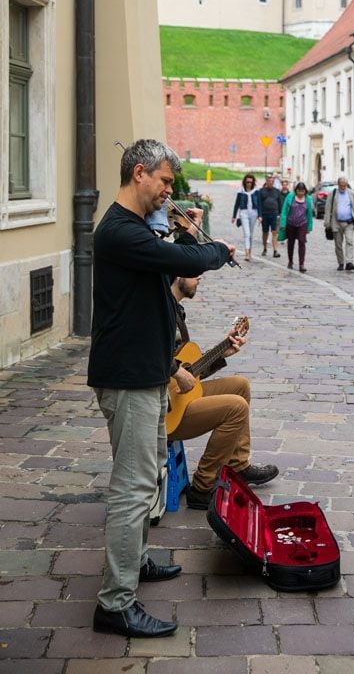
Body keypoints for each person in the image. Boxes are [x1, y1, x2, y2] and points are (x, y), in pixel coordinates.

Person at [88, 139, 234, 639]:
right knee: (131, 490)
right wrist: (213, 246)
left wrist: (179, 228)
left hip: (148, 373)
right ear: (138, 175)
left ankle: (137, 559)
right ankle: (115, 603)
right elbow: (181, 262)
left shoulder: (138, 229)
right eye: (165, 182)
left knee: (148, 482)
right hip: (127, 378)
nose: (169, 190)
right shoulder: (118, 232)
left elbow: (168, 267)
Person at [168, 275, 279, 509]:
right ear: (178, 276)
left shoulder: (175, 310)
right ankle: (202, 486)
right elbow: (156, 358)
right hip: (165, 411)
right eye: (194, 272)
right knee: (235, 407)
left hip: (179, 396)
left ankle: (238, 465)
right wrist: (176, 372)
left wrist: (221, 354)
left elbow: (190, 372)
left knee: (240, 385)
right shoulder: (159, 310)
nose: (199, 277)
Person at [324, 175, 354, 271]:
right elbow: (328, 209)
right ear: (338, 184)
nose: (343, 187)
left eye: (344, 185)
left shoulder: (351, 194)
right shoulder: (332, 194)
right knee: (338, 244)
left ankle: (349, 262)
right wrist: (327, 222)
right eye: (341, 185)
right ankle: (341, 263)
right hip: (336, 223)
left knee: (350, 241)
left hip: (349, 222)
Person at [278, 181, 313, 272]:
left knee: (302, 242)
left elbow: (309, 214)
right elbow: (284, 211)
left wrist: (309, 227)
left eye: (302, 191)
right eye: (299, 191)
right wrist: (282, 224)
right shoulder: (290, 197)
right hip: (290, 223)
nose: (301, 193)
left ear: (305, 191)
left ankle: (301, 264)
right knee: (291, 243)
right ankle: (290, 261)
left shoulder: (308, 199)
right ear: (296, 190)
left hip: (302, 223)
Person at [232, 173, 262, 261]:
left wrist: (260, 215)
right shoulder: (240, 191)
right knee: (247, 234)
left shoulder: (256, 191)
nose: (249, 183)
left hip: (254, 213)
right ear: (244, 182)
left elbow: (259, 204)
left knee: (251, 235)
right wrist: (234, 216)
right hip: (243, 213)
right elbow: (236, 204)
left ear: (253, 183)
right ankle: (246, 253)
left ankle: (250, 251)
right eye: (247, 182)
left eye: (250, 182)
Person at [258, 174, 282, 258]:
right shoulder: (261, 191)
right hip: (265, 214)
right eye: (269, 181)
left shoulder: (277, 191)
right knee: (265, 232)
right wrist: (259, 215)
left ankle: (275, 250)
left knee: (274, 232)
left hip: (274, 214)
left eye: (272, 181)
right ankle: (265, 248)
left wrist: (280, 214)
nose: (271, 183)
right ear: (266, 181)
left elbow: (280, 204)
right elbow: (259, 204)